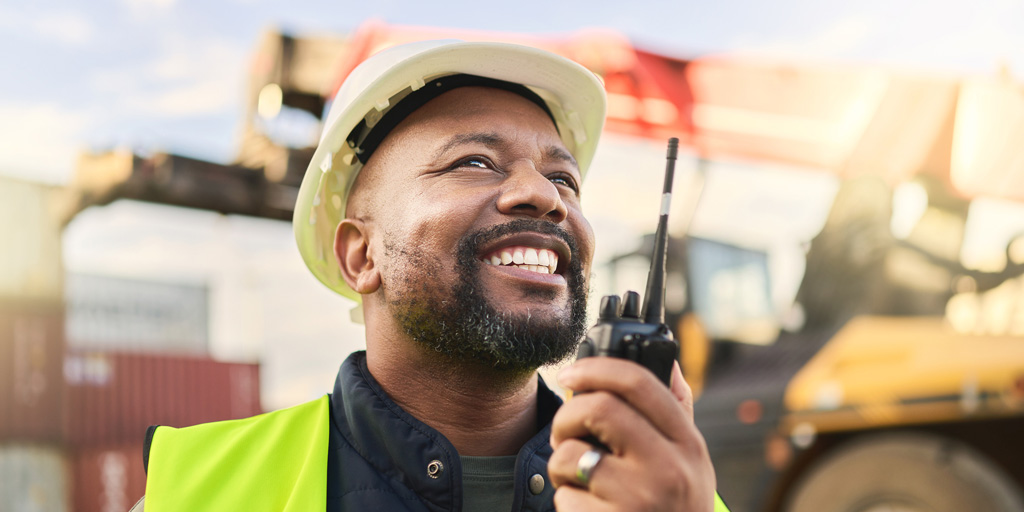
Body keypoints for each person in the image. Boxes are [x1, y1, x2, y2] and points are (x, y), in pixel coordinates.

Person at [137, 40, 729, 512]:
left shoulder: (679, 496)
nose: (545, 196)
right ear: (361, 256)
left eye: (565, 179)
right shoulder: (195, 493)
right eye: (473, 162)